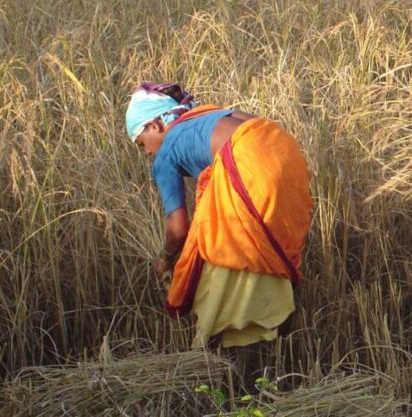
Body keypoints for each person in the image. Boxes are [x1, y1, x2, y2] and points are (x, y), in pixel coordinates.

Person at [125, 82, 312, 347]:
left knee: (224, 255)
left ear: (155, 126)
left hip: (251, 160)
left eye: (142, 143)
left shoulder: (165, 155)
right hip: (285, 150)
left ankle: (224, 343)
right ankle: (279, 334)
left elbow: (178, 229)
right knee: (269, 244)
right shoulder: (207, 116)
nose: (147, 152)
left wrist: (165, 260)